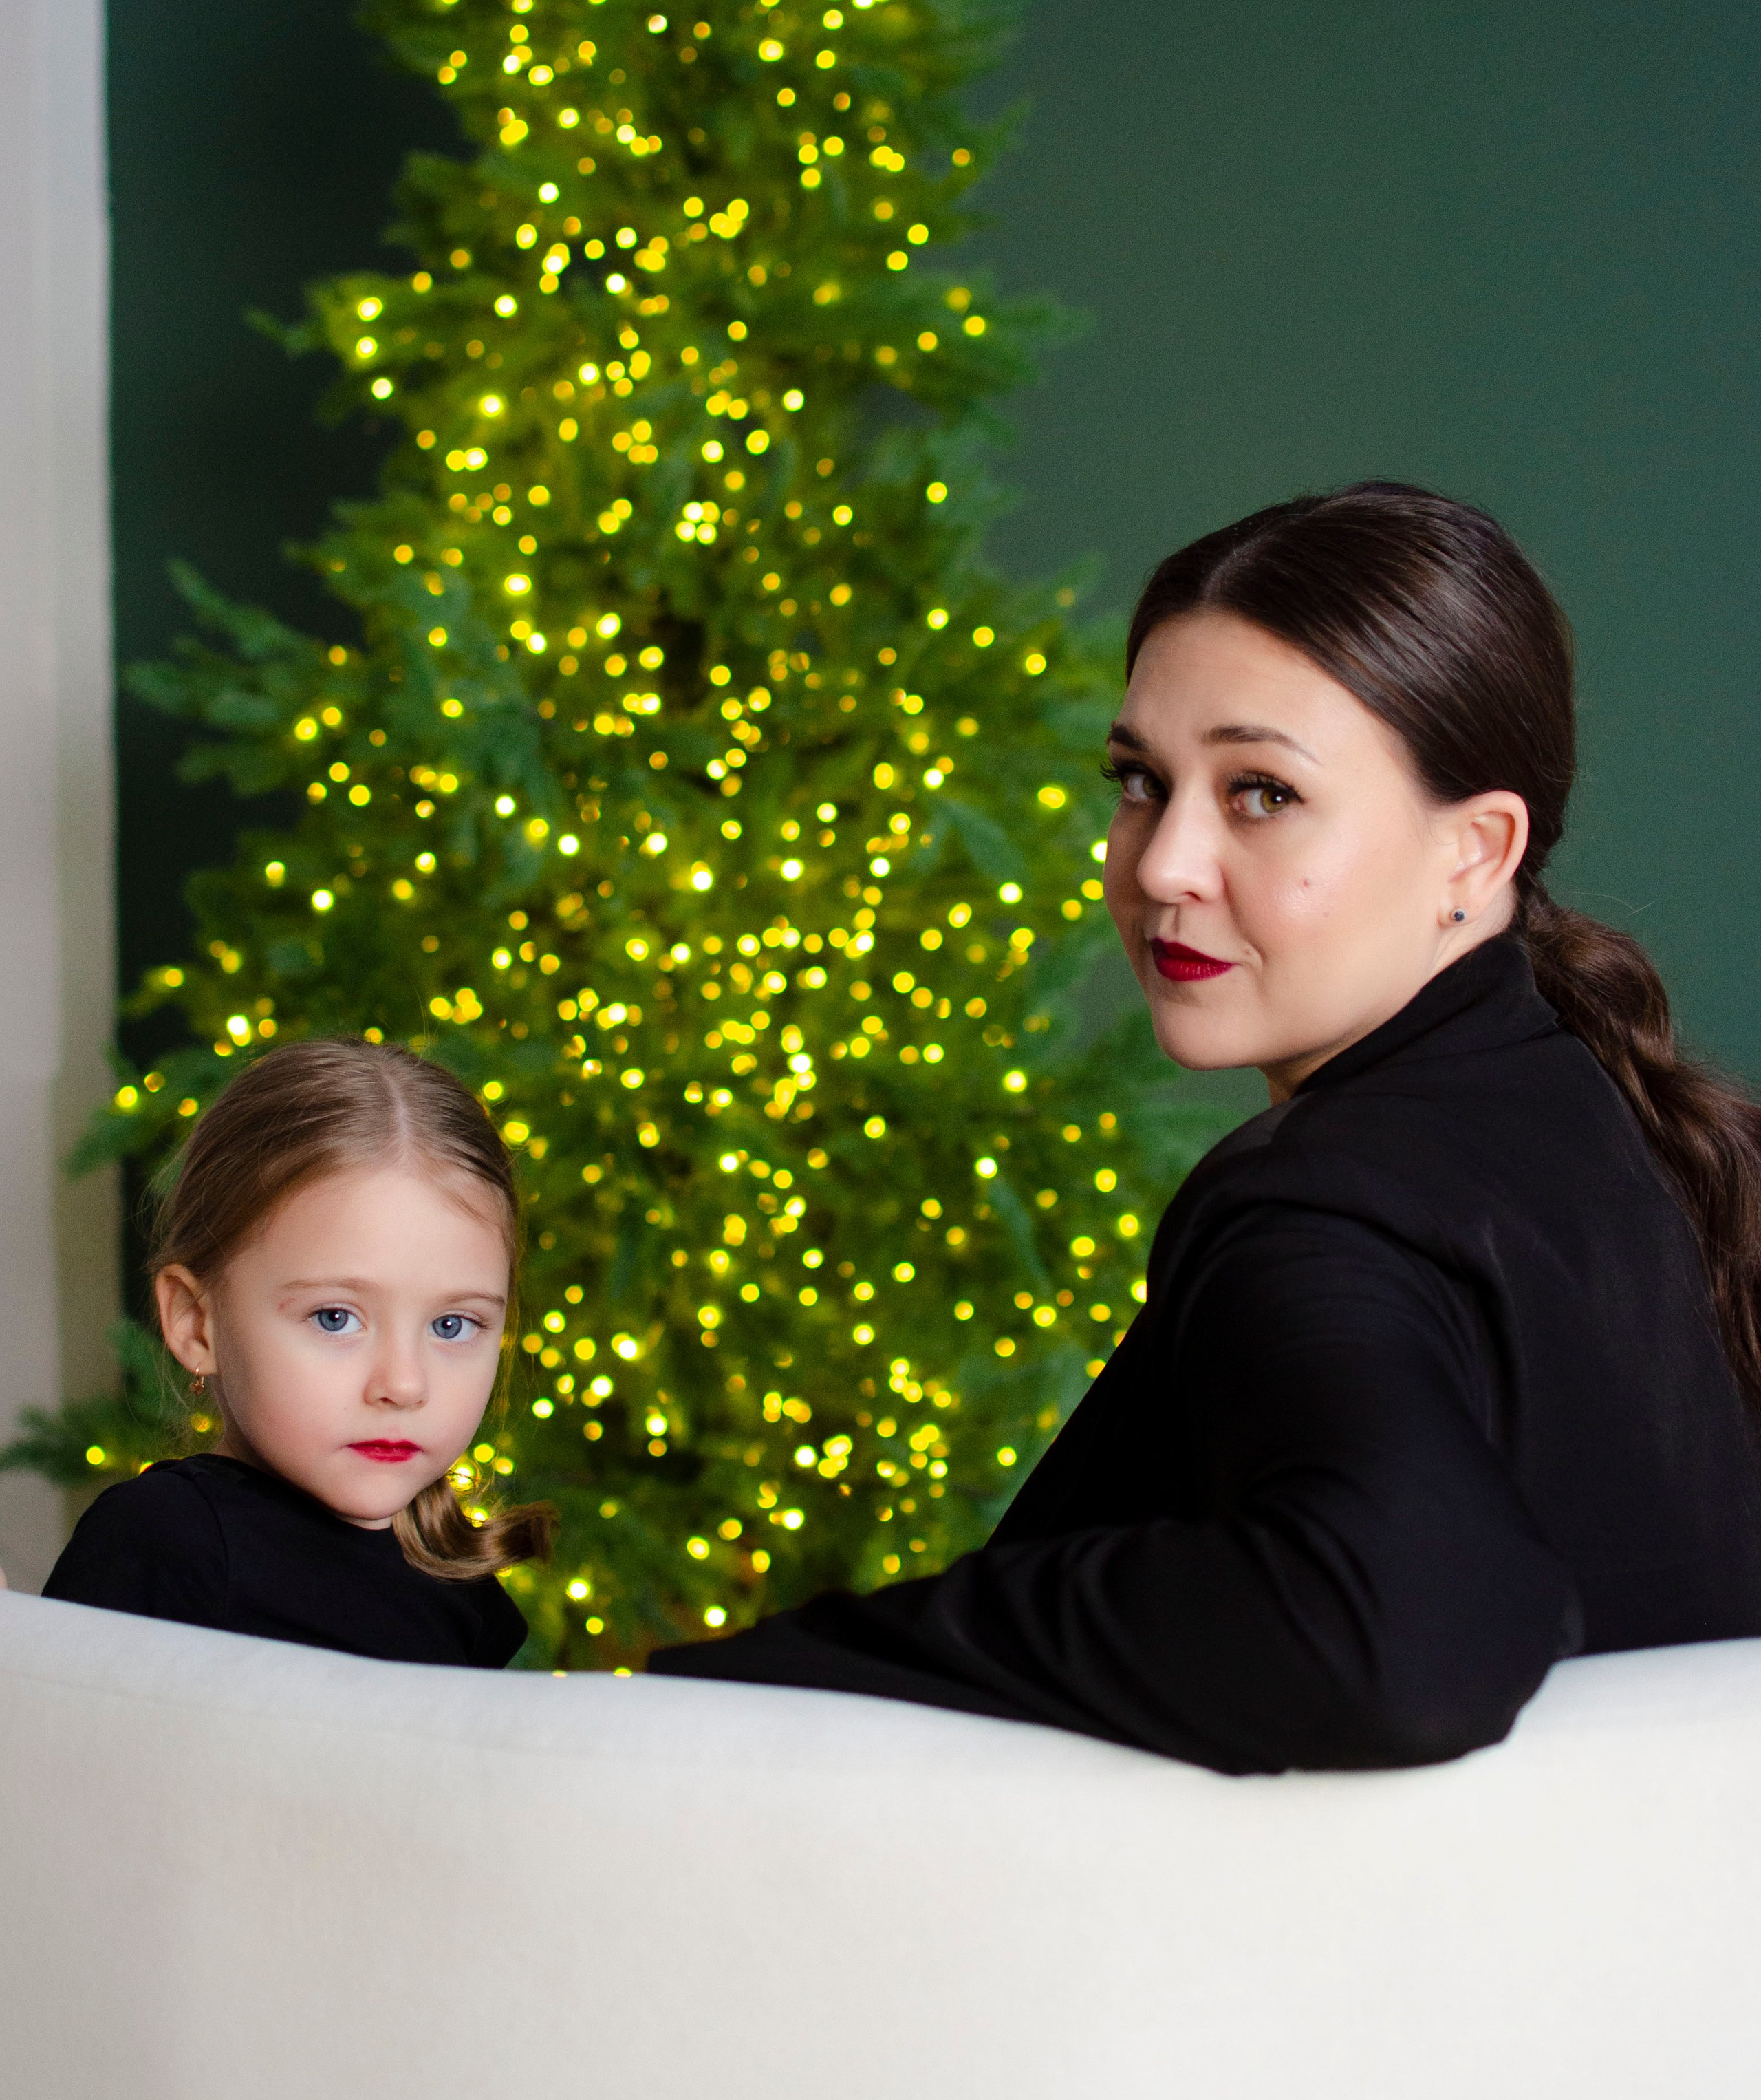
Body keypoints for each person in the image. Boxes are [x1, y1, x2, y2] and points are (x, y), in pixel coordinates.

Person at [650, 480, 1761, 1769]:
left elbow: (1413, 1633)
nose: (1162, 863)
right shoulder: (1592, 1124)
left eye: (1262, 794)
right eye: (1141, 781)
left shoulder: (1326, 1200)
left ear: (1476, 852)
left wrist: (764, 1677)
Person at [44, 1040, 553, 1664]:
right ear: (196, 1322)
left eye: (451, 1324)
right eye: (336, 1318)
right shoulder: (167, 1541)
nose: (404, 1383)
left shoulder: (463, 1593)